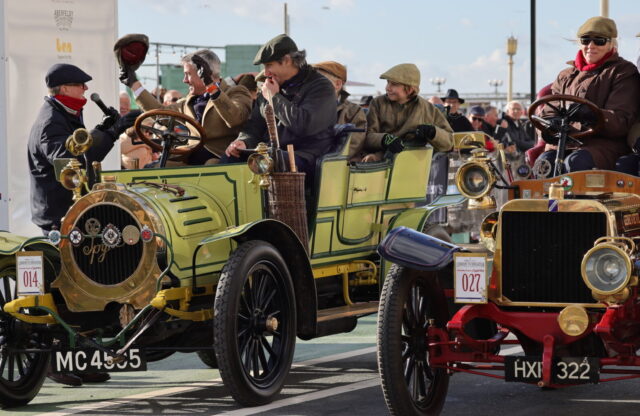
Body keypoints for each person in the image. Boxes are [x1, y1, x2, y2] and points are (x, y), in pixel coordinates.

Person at [28, 63, 131, 386]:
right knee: (64, 290)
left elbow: (82, 149)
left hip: (77, 215)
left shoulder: (65, 114)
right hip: (60, 217)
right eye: (80, 85)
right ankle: (54, 361)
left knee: (89, 285)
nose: (86, 91)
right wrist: (111, 132)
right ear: (64, 89)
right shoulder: (50, 122)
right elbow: (69, 160)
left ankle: (85, 356)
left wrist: (104, 128)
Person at [224, 34, 337, 184]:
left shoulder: (321, 87)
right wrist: (243, 142)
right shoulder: (269, 85)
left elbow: (304, 125)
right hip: (271, 153)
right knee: (230, 158)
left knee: (271, 161)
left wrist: (274, 97)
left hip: (306, 155)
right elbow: (254, 126)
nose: (265, 73)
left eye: (269, 65)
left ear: (287, 61)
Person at [118, 40, 252, 165]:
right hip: (189, 156)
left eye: (188, 74)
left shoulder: (236, 92)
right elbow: (159, 113)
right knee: (154, 169)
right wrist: (134, 84)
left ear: (203, 73)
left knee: (211, 168)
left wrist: (210, 86)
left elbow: (235, 118)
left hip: (221, 159)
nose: (184, 80)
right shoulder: (187, 102)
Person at [538, 16, 640, 173]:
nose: (591, 46)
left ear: (611, 43)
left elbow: (621, 119)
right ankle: (546, 198)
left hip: (604, 144)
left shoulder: (623, 72)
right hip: (563, 143)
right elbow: (549, 111)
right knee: (544, 164)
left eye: (599, 40)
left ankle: (577, 198)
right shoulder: (565, 75)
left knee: (576, 162)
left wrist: (593, 115)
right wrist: (550, 125)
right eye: (585, 40)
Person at [361, 63, 453, 163]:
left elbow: (449, 142)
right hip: (382, 161)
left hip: (415, 163)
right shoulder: (378, 103)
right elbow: (367, 137)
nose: (387, 88)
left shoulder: (428, 109)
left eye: (394, 84)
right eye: (388, 82)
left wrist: (433, 132)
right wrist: (384, 139)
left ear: (409, 89)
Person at [312, 61, 367, 161]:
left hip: (333, 166)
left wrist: (322, 158)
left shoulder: (354, 112)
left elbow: (353, 145)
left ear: (337, 84)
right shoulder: (306, 108)